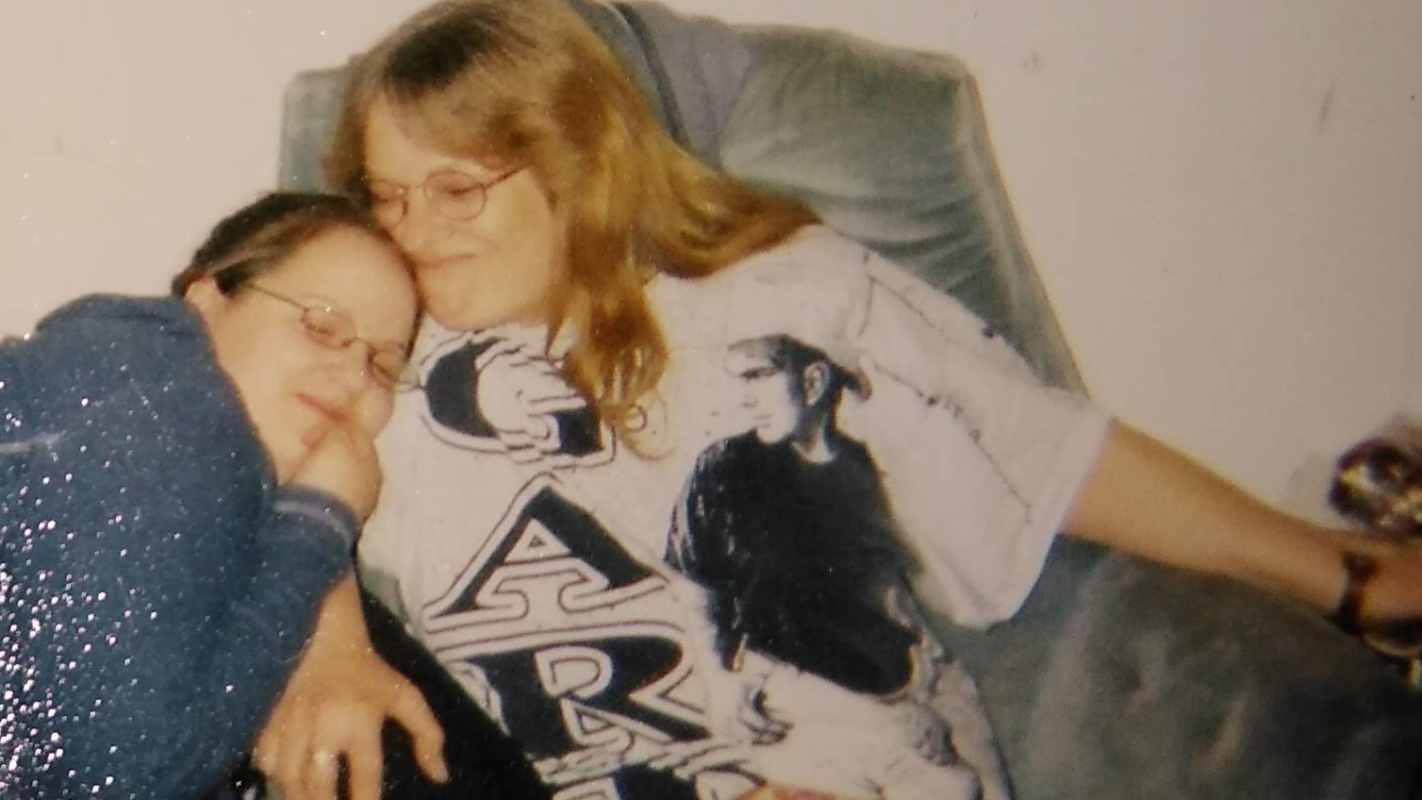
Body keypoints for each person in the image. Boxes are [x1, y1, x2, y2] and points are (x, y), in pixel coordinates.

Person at [251, 2, 1422, 800]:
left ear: (576, 158)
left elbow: (1045, 455)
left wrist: (1347, 574)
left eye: (456, 189)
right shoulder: (380, 350)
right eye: (388, 194)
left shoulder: (783, 296)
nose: (412, 230)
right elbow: (258, 497)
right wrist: (327, 647)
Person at [0, 192, 419, 799]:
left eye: (383, 366)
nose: (355, 378)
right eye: (322, 326)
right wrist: (319, 522)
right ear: (205, 298)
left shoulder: (150, 395)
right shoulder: (169, 405)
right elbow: (123, 777)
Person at [665, 332, 992, 800]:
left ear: (814, 381)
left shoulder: (878, 468)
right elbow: (697, 584)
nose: (746, 398)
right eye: (740, 380)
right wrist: (718, 680)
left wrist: (929, 699)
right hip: (788, 699)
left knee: (958, 787)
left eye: (758, 377)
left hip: (905, 691)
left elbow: (922, 605)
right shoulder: (726, 468)